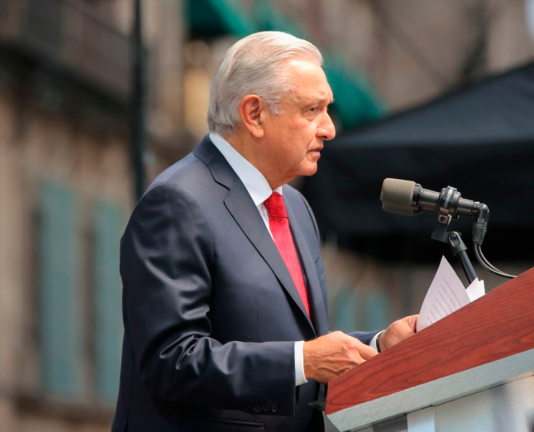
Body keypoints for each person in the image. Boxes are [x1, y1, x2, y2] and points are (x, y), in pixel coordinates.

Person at [111, 31, 417, 432]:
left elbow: (294, 340)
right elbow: (171, 361)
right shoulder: (177, 202)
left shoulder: (294, 205)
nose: (329, 129)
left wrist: (377, 345)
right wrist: (302, 361)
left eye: (328, 110)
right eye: (312, 110)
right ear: (254, 114)